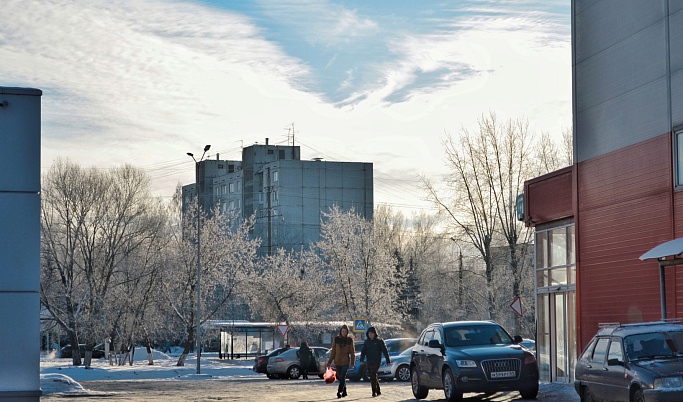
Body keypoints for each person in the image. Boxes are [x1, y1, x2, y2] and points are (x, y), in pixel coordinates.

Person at [359, 326, 390, 397]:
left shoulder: (379, 341)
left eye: (372, 333)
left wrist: (388, 360)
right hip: (369, 361)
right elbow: (363, 351)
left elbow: (385, 351)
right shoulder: (367, 342)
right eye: (369, 333)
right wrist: (361, 359)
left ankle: (374, 391)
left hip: (377, 361)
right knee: (372, 375)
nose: (370, 335)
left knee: (373, 374)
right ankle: (378, 390)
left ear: (375, 333)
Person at [327, 324, 355, 398]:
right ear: (340, 332)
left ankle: (339, 391)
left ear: (347, 332)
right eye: (343, 331)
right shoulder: (336, 339)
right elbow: (333, 352)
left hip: (345, 362)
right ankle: (344, 392)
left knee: (342, 377)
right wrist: (329, 362)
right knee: (340, 378)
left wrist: (352, 362)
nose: (344, 333)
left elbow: (352, 352)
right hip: (337, 361)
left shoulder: (349, 340)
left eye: (345, 331)